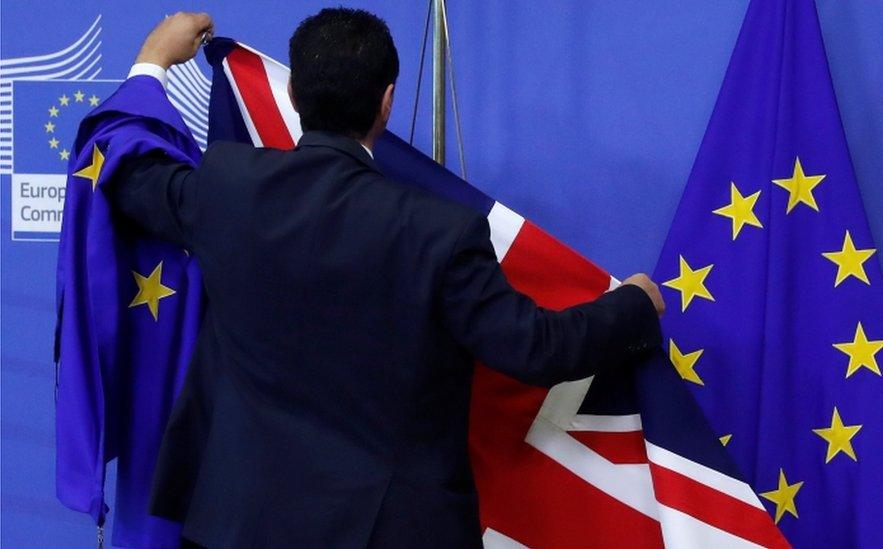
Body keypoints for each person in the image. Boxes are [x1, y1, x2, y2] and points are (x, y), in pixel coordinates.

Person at [110, 8, 665, 548]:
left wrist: (152, 60)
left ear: (296, 97)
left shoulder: (226, 186)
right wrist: (635, 305)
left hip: (239, 523)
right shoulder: (441, 232)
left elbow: (128, 175)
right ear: (387, 101)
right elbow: (535, 348)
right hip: (392, 530)